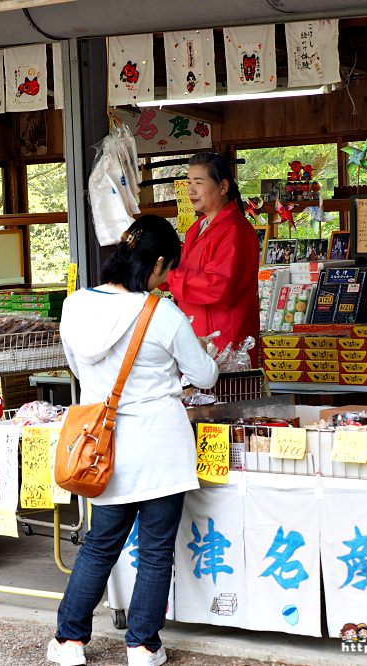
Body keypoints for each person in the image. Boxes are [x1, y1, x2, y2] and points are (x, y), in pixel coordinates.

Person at [48, 216, 219, 666]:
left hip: (102, 447)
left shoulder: (76, 305)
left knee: (100, 544)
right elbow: (204, 374)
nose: (167, 280)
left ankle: (69, 642)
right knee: (157, 549)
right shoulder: (160, 311)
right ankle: (143, 646)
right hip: (160, 446)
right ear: (157, 264)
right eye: (168, 270)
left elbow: (77, 365)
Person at [165, 152, 261, 365]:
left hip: (225, 341)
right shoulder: (196, 228)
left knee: (225, 397)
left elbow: (218, 286)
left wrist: (170, 275)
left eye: (198, 182)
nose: (190, 190)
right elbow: (184, 269)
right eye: (189, 182)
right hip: (198, 338)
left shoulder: (235, 231)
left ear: (223, 187)